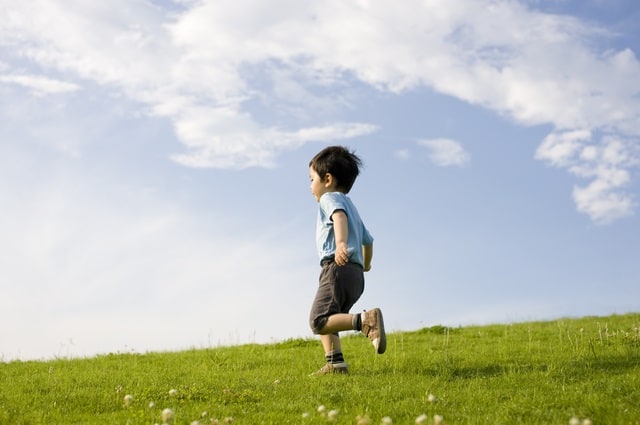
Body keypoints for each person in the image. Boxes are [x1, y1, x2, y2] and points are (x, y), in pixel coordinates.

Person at [308, 145, 386, 375]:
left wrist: (341, 243)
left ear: (328, 179)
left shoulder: (329, 199)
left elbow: (337, 217)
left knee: (319, 319)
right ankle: (335, 363)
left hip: (336, 267)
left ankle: (365, 320)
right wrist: (366, 264)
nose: (311, 186)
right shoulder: (354, 209)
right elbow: (369, 241)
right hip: (355, 273)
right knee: (332, 316)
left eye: (312, 179)